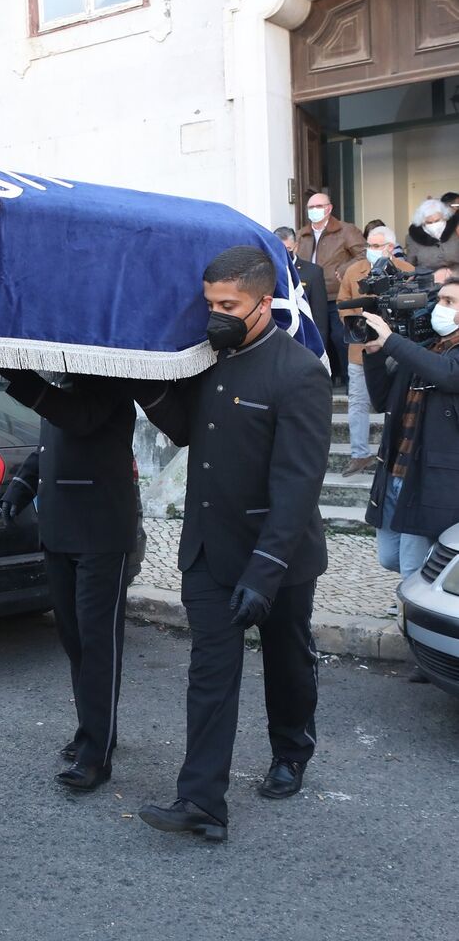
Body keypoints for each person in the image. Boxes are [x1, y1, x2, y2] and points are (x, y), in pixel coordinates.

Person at [133, 246, 331, 843]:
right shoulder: (206, 362)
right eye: (209, 303)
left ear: (262, 302)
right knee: (210, 672)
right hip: (208, 552)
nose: (216, 314)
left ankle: (291, 751)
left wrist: (266, 569)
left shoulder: (298, 373)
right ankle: (201, 802)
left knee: (287, 661)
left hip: (280, 558)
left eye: (229, 305)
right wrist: (146, 385)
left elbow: (297, 484)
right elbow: (191, 431)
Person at [0, 371, 136, 792]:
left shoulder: (112, 381)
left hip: (100, 534)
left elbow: (79, 419)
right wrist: (20, 486)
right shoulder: (63, 388)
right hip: (59, 530)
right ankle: (93, 729)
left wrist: (23, 379)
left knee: (98, 644)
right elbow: (49, 443)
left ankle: (97, 755)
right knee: (74, 640)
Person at [361, 273, 459, 589]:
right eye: (440, 299)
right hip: (396, 470)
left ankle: (415, 616)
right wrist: (376, 353)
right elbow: (380, 399)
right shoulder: (427, 346)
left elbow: (448, 376)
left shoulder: (439, 356)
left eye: (449, 302)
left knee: (411, 565)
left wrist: (393, 340)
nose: (439, 307)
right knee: (390, 557)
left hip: (428, 477)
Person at [335, 226, 413, 477]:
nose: (371, 250)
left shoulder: (407, 272)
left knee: (401, 399)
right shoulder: (352, 271)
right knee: (357, 401)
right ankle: (359, 454)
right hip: (362, 348)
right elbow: (342, 304)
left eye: (377, 245)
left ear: (391, 248)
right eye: (369, 244)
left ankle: (399, 452)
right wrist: (358, 327)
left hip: (398, 349)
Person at [295, 191, 366, 387]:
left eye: (319, 206)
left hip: (336, 293)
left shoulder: (346, 230)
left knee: (340, 336)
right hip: (309, 295)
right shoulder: (302, 234)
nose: (314, 211)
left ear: (329, 208)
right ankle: (323, 379)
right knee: (315, 336)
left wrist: (344, 269)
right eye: (311, 207)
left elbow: (363, 254)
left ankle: (349, 379)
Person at [274, 226, 328, 357]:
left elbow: (319, 317)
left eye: (288, 249)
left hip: (304, 340)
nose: (283, 254)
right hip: (276, 340)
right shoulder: (266, 270)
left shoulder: (313, 272)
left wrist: (318, 350)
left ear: (296, 247)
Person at [406, 198, 459, 277]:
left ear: (444, 217)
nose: (434, 224)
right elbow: (411, 265)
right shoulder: (413, 238)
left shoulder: (455, 230)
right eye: (429, 222)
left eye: (437, 220)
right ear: (422, 222)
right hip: (428, 281)